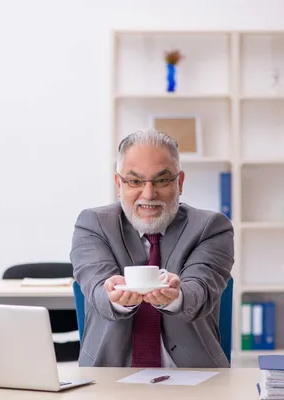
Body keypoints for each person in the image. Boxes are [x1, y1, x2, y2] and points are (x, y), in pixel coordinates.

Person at [70, 128, 234, 368]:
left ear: (180, 182)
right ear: (119, 183)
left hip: (193, 375)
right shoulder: (92, 224)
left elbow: (201, 289)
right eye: (135, 181)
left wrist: (176, 297)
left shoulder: (212, 227)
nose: (148, 194)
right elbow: (96, 287)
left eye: (162, 180)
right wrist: (115, 297)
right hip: (109, 376)